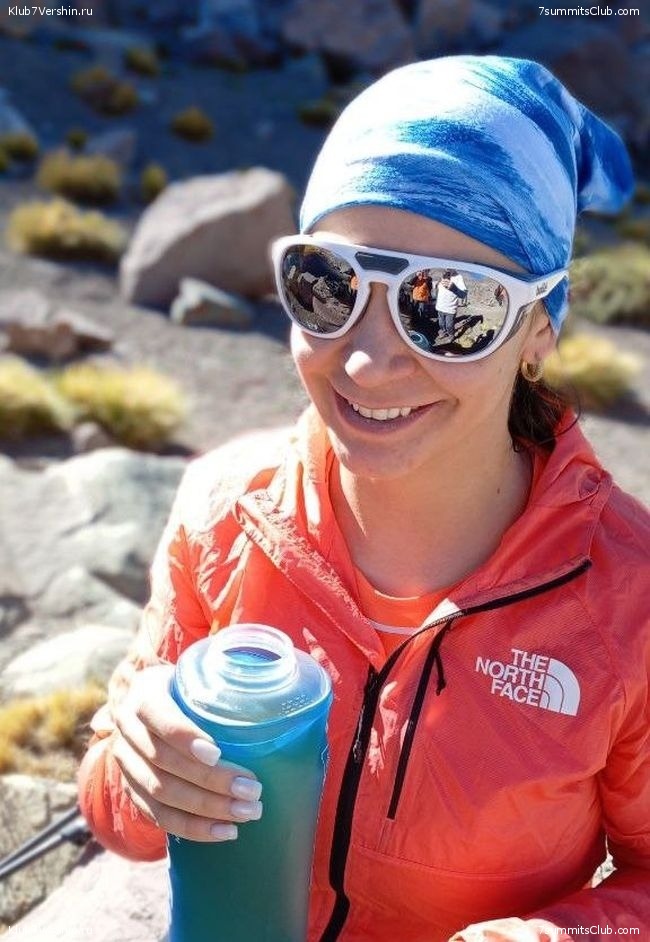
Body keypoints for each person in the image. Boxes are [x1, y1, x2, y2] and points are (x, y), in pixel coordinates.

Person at [78, 56, 649, 942]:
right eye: (328, 285)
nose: (365, 361)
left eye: (450, 306)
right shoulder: (225, 510)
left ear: (539, 328)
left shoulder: (630, 601)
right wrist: (138, 761)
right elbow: (118, 818)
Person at [435, 268, 467, 339]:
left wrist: (454, 288)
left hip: (450, 309)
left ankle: (451, 335)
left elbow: (463, 294)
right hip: (440, 307)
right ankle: (443, 332)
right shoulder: (442, 275)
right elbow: (438, 290)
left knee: (449, 325)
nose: (448, 268)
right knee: (441, 323)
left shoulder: (458, 277)